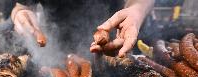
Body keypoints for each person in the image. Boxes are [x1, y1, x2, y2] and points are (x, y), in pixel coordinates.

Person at [9, 0, 155, 57]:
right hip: (57, 49)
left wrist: (137, 11)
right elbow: (21, 6)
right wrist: (20, 14)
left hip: (117, 41)